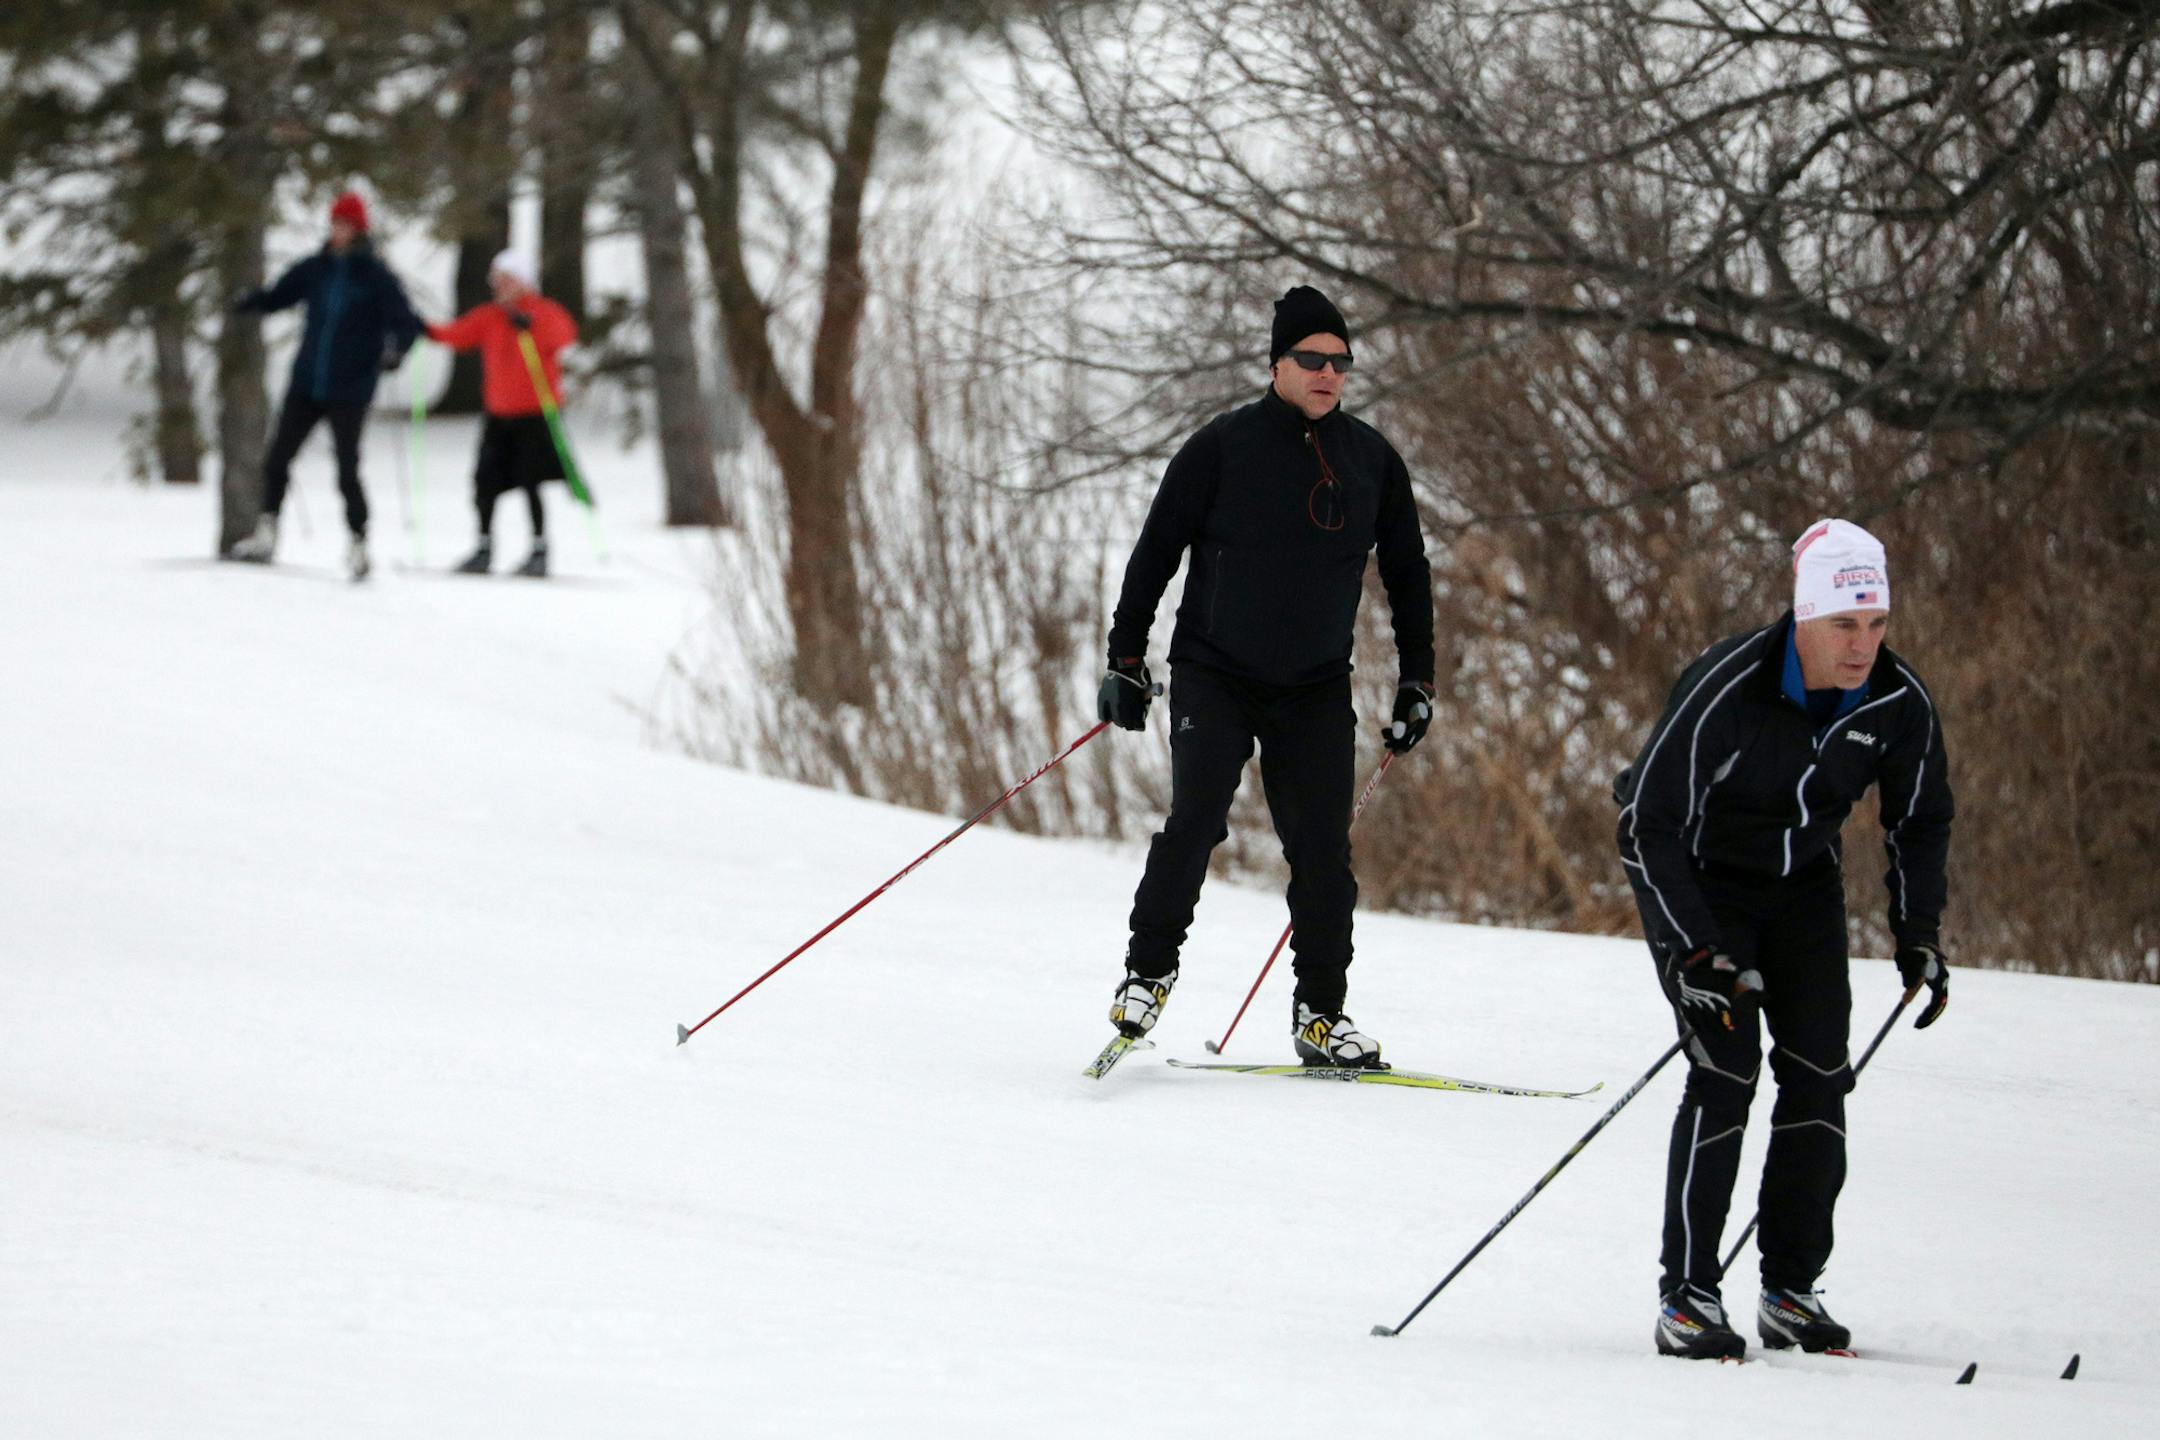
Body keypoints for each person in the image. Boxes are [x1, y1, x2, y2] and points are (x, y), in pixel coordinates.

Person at [1614, 518, 1954, 1361]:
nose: (1863, 645)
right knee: (1725, 1072)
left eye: (1876, 624)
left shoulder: (1896, 702)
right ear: (1804, 617)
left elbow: (1920, 820)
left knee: (1817, 1077)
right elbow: (1645, 824)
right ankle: (1687, 1296)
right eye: (1845, 625)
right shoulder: (1728, 685)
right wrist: (1694, 950)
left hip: (1802, 888)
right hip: (1702, 882)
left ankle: (1790, 1289)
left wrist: (1919, 935)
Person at [1097, 285, 1436, 1068]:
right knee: (1197, 821)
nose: (1328, 373)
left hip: (1314, 683)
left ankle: (1322, 1015)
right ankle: (1147, 973)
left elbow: (1410, 573)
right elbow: (1155, 553)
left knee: (1322, 850)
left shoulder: (1372, 459)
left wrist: (1418, 679)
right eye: (1311, 359)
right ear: (1277, 364)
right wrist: (1125, 657)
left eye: (1340, 361)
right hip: (1215, 670)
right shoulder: (1220, 448)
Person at [229, 190, 423, 580]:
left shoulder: (375, 276)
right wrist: (253, 301)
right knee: (278, 457)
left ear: (359, 230)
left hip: (350, 386)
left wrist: (395, 352)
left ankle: (358, 543)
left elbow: (407, 324)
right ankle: (266, 533)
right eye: (334, 223)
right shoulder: (316, 268)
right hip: (308, 381)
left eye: (345, 225)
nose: (337, 231)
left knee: (347, 466)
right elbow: (282, 296)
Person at [424, 249, 578, 577]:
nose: (500, 287)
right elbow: (457, 335)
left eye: (507, 280)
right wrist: (421, 330)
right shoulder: (490, 316)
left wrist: (531, 326)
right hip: (499, 414)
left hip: (536, 413)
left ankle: (539, 548)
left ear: (523, 281)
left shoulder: (543, 311)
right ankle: (483, 546)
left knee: (530, 481)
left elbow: (563, 336)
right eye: (496, 281)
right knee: (485, 481)